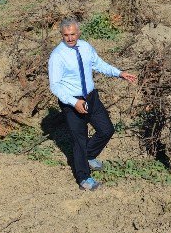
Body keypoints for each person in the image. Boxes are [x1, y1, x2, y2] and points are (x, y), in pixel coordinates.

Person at [48, 18, 137, 191]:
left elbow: (98, 64)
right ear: (62, 35)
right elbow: (55, 85)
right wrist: (74, 102)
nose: (70, 38)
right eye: (66, 35)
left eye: (73, 34)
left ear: (78, 32)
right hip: (71, 101)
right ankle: (84, 178)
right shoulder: (57, 56)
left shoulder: (86, 47)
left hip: (91, 97)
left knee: (106, 129)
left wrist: (119, 73)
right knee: (79, 139)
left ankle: (88, 155)